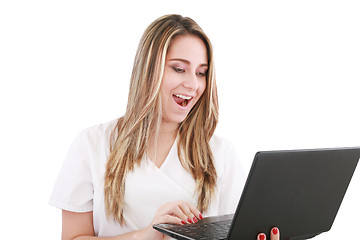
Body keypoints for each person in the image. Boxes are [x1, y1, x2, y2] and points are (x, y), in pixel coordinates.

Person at [50, 14, 280, 240]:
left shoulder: (220, 153)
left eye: (201, 73)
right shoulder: (93, 144)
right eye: (179, 69)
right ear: (149, 70)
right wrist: (146, 234)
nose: (193, 84)